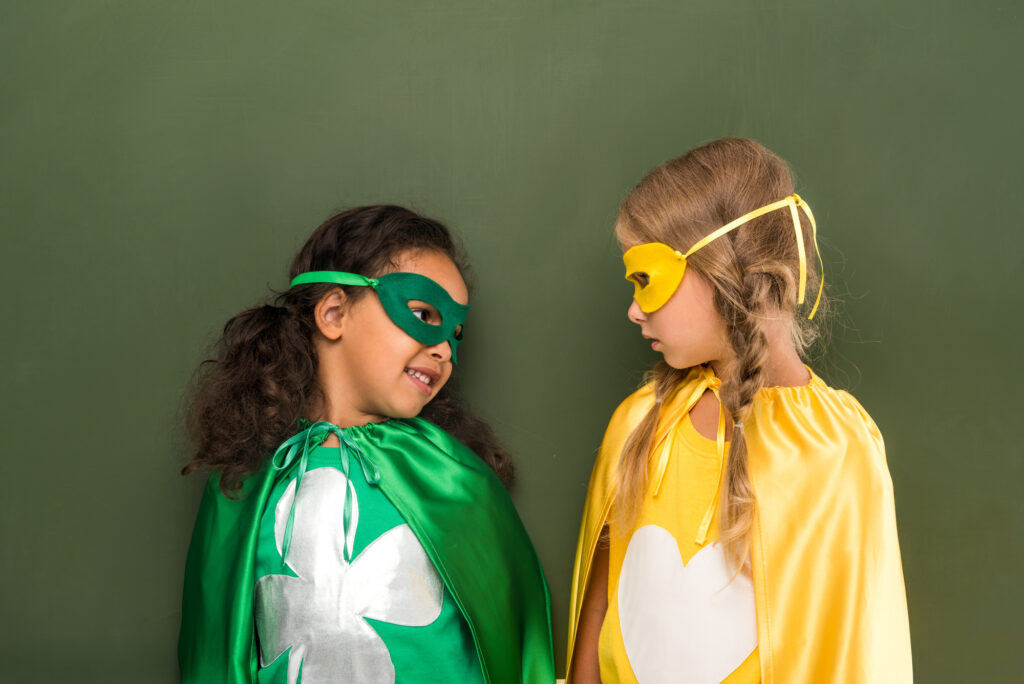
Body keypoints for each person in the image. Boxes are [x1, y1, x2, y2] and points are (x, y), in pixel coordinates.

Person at [566, 138, 912, 683]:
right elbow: (600, 607)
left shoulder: (833, 447)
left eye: (646, 280)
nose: (634, 310)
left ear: (724, 271)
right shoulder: (641, 423)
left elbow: (858, 648)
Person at [178, 205, 555, 684]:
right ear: (334, 313)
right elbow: (212, 651)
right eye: (422, 314)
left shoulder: (451, 477)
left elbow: (516, 643)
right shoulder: (245, 481)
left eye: (455, 335)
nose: (444, 350)